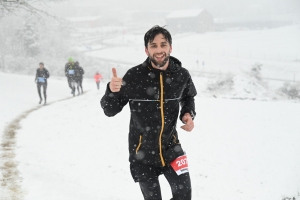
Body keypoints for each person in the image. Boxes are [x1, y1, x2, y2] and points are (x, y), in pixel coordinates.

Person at [100, 25, 197, 200]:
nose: (159, 50)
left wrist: (188, 113)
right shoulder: (134, 76)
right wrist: (111, 90)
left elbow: (188, 96)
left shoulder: (181, 75)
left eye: (163, 44)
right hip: (142, 153)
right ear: (146, 50)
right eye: (153, 45)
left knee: (184, 194)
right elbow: (110, 110)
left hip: (172, 148)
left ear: (170, 47)